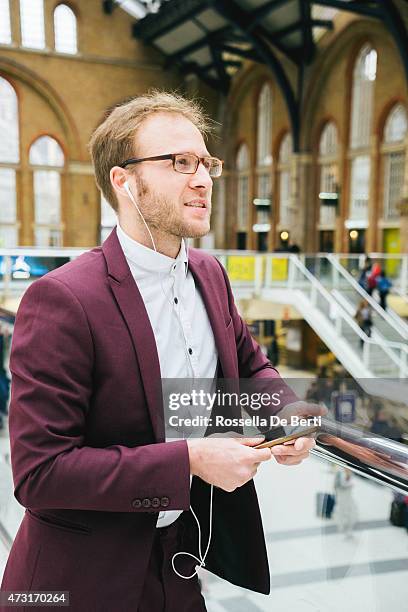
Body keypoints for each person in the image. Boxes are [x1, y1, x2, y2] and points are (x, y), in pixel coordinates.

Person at [0, 92, 323, 612]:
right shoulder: (63, 298)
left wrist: (290, 415)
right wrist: (191, 459)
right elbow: (41, 473)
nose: (203, 179)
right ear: (124, 181)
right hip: (80, 580)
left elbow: (249, 365)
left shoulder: (210, 275)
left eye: (205, 163)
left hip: (179, 561)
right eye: (179, 163)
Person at [333, 468, 358, 539]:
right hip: (341, 496)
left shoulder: (351, 473)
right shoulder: (340, 473)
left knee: (350, 511)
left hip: (348, 496)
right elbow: (337, 485)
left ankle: (348, 529)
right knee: (341, 511)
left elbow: (352, 483)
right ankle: (342, 528)